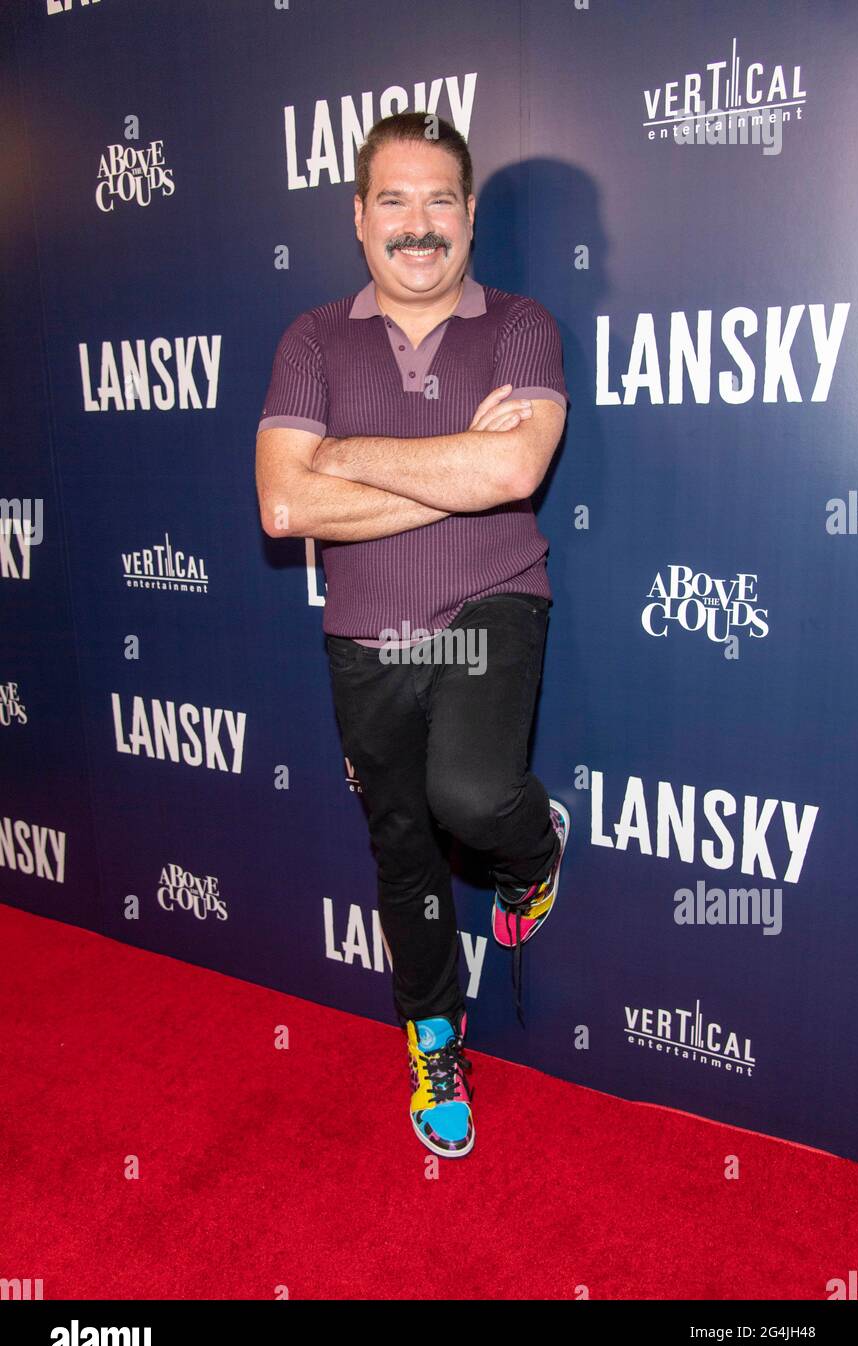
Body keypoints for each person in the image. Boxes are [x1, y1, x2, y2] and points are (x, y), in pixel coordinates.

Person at [256, 111, 571, 1159]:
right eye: (394, 199)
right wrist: (449, 466)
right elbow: (283, 509)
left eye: (440, 197)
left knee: (472, 798)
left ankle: (533, 852)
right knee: (403, 856)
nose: (418, 223)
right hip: (364, 633)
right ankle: (432, 1034)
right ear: (358, 218)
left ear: (470, 215)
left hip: (488, 606)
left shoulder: (519, 325)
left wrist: (343, 456)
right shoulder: (310, 337)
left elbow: (511, 475)